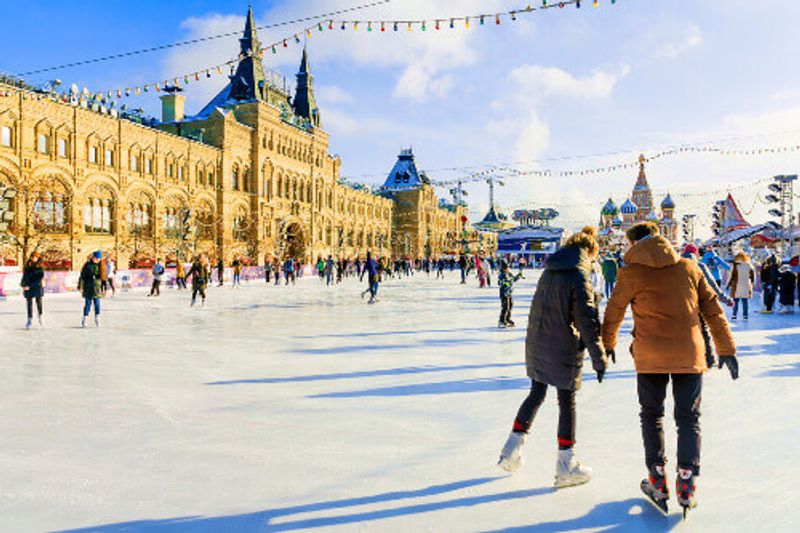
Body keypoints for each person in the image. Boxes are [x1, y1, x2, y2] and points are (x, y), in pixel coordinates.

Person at [602, 222, 737, 514]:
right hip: (689, 354)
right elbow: (712, 309)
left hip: (649, 356)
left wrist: (607, 344)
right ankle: (686, 482)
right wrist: (725, 348)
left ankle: (657, 478)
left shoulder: (630, 272)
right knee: (688, 418)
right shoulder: (689, 267)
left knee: (651, 416)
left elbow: (614, 311)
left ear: (633, 243)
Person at [497, 232, 607, 488]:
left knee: (536, 393)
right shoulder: (578, 274)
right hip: (563, 346)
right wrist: (599, 357)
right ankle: (566, 465)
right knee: (567, 400)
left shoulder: (550, 271)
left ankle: (511, 451)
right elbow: (587, 320)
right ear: (589, 251)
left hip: (539, 341)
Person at [682, 243, 734, 370]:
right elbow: (712, 285)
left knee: (683, 332)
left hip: (682, 304)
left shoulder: (677, 266)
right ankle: (709, 359)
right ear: (696, 254)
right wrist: (726, 299)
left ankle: (685, 359)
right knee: (703, 331)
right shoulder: (700, 266)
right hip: (700, 303)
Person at [79, 251, 103, 327]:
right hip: (88, 287)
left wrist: (104, 286)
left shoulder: (101, 265)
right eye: (96, 258)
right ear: (92, 257)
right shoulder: (87, 265)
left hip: (97, 288)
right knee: (87, 304)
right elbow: (82, 277)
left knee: (97, 304)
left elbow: (104, 276)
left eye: (98, 258)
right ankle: (85, 319)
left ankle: (97, 318)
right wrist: (81, 286)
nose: (97, 260)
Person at [727, 252, 754, 320]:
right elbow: (753, 277)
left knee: (736, 301)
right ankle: (745, 315)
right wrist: (752, 284)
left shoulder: (734, 266)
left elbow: (730, 276)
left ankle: (734, 315)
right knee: (745, 301)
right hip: (746, 285)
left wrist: (727, 285)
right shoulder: (749, 265)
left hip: (737, 285)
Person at [21, 252, 45, 329]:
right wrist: (23, 285)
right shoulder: (27, 266)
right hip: (28, 287)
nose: (33, 259)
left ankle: (40, 315)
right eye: (32, 257)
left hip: (36, 287)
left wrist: (29, 286)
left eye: (35, 257)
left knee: (39, 302)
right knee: (29, 304)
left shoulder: (40, 268)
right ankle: (29, 319)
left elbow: (38, 279)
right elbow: (24, 277)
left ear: (38, 258)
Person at [497, 259, 523, 328]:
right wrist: (505, 281)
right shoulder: (501, 275)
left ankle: (507, 319)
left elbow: (513, 279)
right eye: (505, 268)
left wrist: (518, 276)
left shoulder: (509, 274)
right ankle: (501, 321)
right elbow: (499, 283)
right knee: (505, 307)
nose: (507, 269)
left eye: (507, 268)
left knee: (510, 305)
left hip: (509, 293)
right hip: (503, 293)